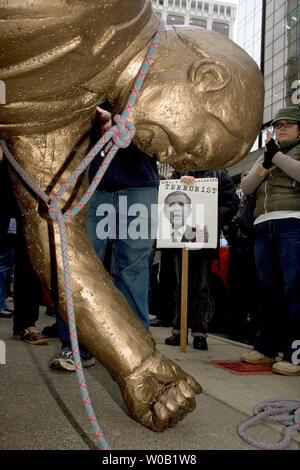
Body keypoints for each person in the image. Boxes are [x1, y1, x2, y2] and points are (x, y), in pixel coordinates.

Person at [50, 105, 159, 370]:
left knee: (134, 269)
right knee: (82, 267)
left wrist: (133, 123)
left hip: (138, 180)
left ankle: (136, 348)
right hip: (89, 179)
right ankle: (76, 346)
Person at [241, 106, 300, 376]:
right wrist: (266, 162)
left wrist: (278, 157)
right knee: (266, 289)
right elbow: (246, 187)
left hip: (293, 222)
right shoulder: (266, 154)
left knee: (294, 289)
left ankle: (295, 354)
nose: (282, 128)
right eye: (278, 125)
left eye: (289, 123)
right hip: (263, 223)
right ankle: (265, 348)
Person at [165, 169, 239, 350]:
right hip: (181, 237)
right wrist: (179, 183)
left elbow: (231, 202)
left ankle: (200, 333)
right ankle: (179, 330)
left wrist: (213, 216)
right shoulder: (179, 171)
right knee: (181, 286)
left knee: (202, 287)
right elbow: (167, 196)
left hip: (205, 237)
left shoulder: (220, 174)